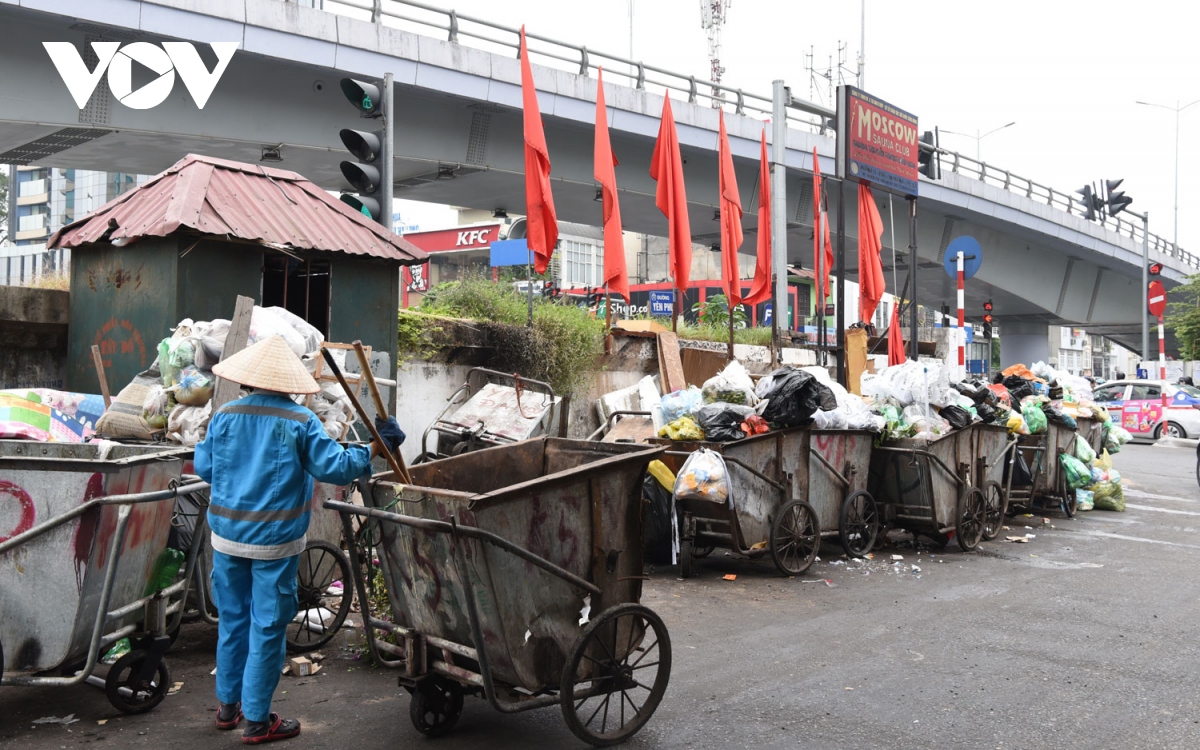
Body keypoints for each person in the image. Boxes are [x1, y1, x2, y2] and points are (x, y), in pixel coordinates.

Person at [195, 335, 404, 744]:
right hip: (273, 545)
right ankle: (257, 720)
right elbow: (337, 468)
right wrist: (377, 447)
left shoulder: (225, 415)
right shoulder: (299, 421)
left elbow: (204, 466)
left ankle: (227, 708)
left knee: (233, 622)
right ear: (289, 383)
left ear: (249, 380)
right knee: (268, 626)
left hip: (226, 539)